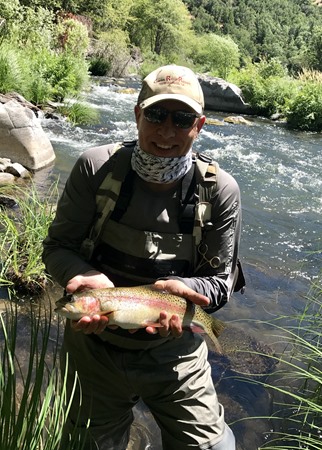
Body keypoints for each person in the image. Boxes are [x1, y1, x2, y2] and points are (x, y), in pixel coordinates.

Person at [43, 64, 243, 450]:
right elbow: (56, 248)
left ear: (198, 125)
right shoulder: (96, 167)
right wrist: (83, 275)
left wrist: (185, 290)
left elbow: (220, 285)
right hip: (94, 351)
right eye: (155, 114)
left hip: (175, 351)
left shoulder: (220, 191)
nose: (166, 131)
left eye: (182, 118)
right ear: (137, 114)